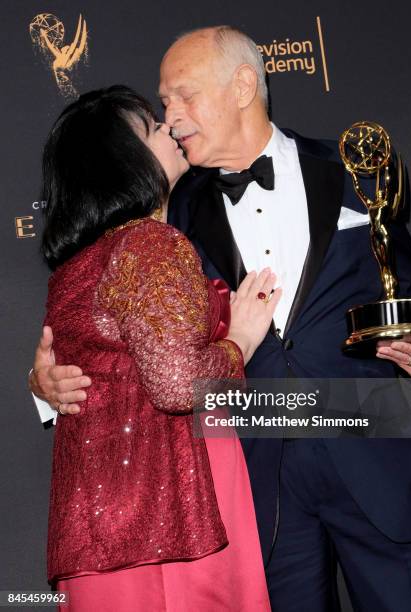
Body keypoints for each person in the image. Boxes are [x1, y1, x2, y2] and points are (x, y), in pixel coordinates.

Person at [31, 28, 411, 611]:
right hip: (253, 487)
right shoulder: (164, 212)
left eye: (181, 95)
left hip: (374, 452)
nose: (169, 115)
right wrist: (48, 386)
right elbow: (105, 326)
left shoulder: (354, 169)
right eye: (161, 103)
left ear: (243, 85)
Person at [38, 85, 279, 611]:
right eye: (150, 127)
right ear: (123, 162)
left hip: (98, 523)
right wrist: (240, 339)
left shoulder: (74, 268)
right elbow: (175, 384)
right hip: (175, 502)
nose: (168, 128)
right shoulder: (149, 242)